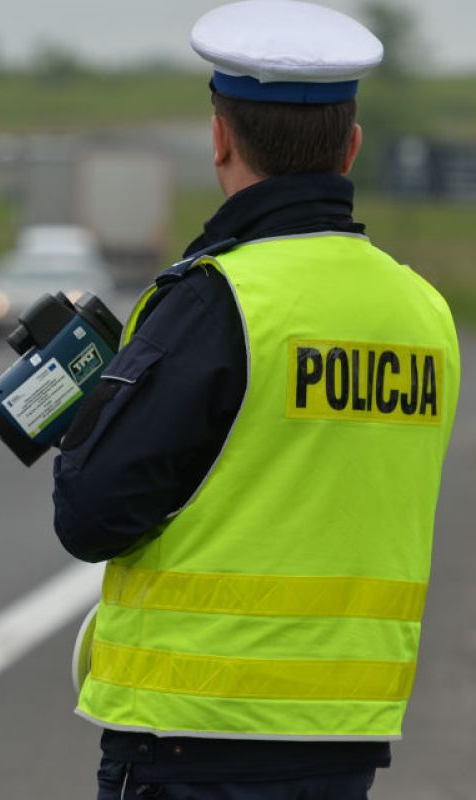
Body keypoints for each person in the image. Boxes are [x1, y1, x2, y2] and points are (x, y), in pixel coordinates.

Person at [51, 2, 462, 798]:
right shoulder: (425, 311)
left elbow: (92, 514)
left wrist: (95, 418)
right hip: (344, 738)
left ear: (220, 138)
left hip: (194, 739)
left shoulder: (218, 300)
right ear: (351, 146)